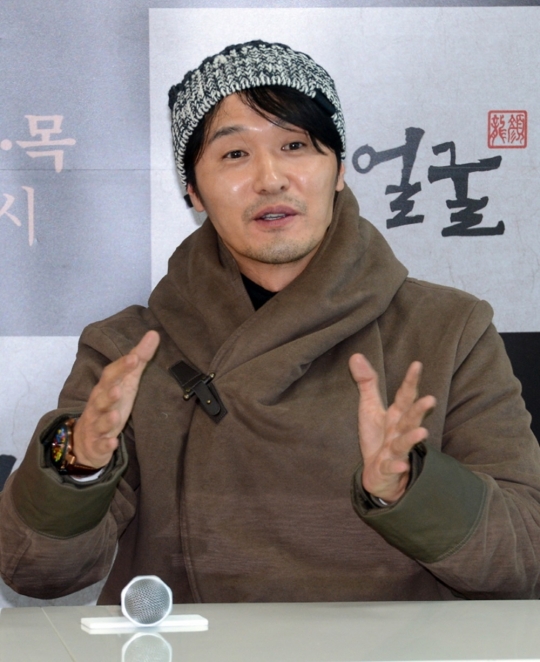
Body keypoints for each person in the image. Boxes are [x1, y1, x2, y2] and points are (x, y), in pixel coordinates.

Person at [2, 40, 540, 604]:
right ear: (193, 190)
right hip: (191, 646)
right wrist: (79, 469)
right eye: (235, 154)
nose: (271, 178)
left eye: (295, 145)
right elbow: (35, 572)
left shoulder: (449, 331)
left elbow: (524, 559)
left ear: (338, 170)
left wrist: (409, 490)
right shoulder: (129, 350)